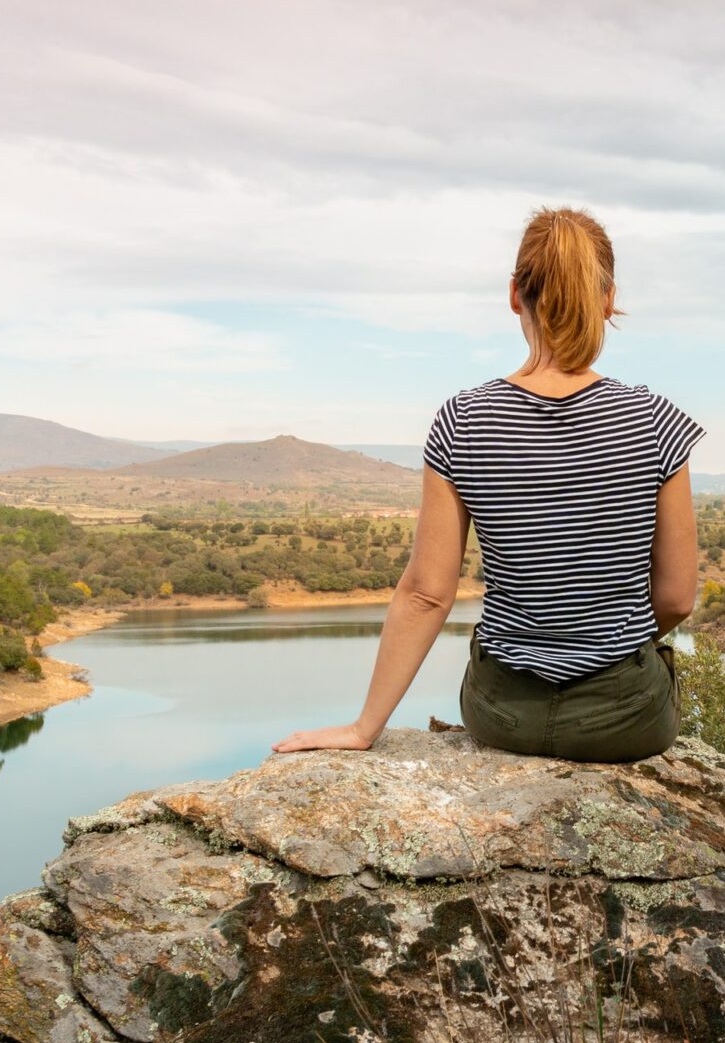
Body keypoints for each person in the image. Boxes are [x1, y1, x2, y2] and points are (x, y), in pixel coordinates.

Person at [272, 206, 703, 763]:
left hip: (504, 716)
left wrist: (363, 728)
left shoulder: (465, 419)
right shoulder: (654, 419)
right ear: (606, 298)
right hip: (626, 721)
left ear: (514, 295)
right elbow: (675, 597)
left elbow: (427, 593)